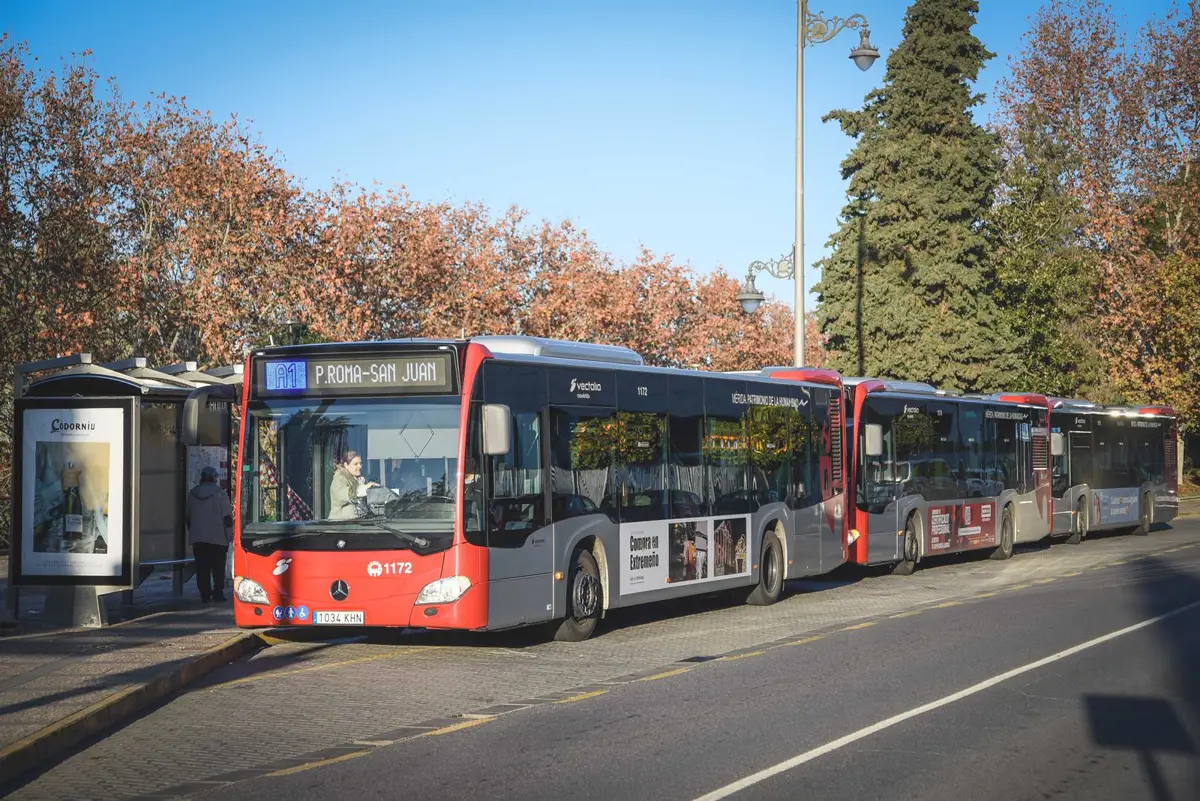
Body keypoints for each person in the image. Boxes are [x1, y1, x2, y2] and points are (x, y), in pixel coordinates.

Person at [186, 466, 233, 603]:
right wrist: (229, 535)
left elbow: (188, 516)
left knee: (202, 568)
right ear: (213, 478)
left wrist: (193, 531)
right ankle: (218, 593)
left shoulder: (192, 494)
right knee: (218, 568)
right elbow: (227, 518)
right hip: (218, 538)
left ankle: (204, 594)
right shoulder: (220, 494)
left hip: (198, 539)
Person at [329, 450, 378, 520]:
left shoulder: (360, 479)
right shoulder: (340, 478)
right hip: (340, 525)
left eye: (360, 463)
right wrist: (364, 489)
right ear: (346, 465)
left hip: (357, 524)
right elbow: (342, 494)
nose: (359, 466)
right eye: (355, 464)